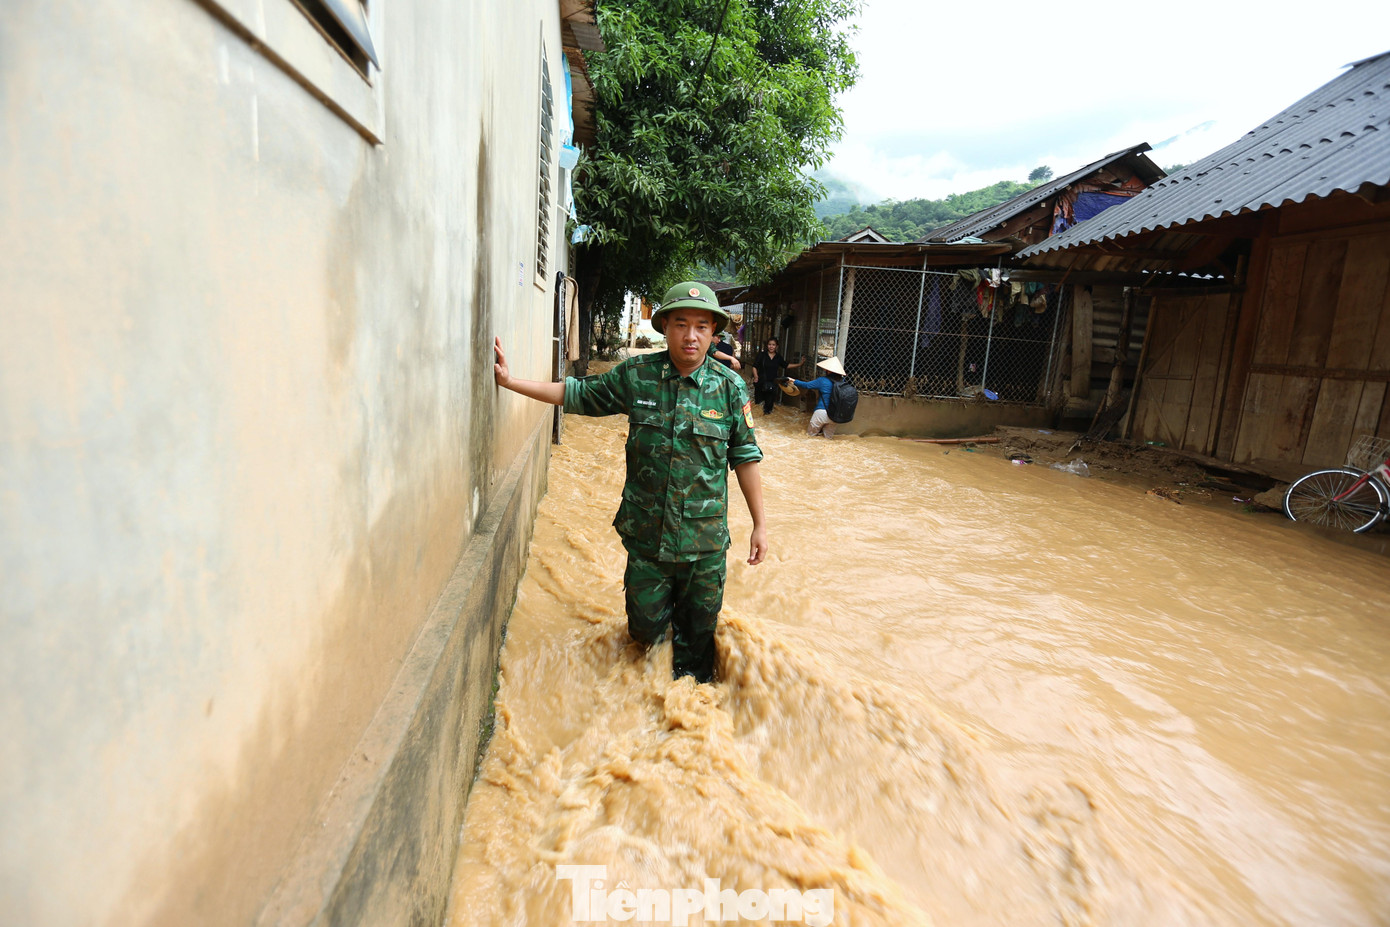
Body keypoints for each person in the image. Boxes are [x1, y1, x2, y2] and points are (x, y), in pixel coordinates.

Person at [492, 280, 767, 684]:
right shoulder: (638, 376)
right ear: (665, 327)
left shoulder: (729, 388)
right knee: (644, 637)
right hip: (647, 539)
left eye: (701, 327)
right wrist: (511, 383)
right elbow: (578, 394)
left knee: (697, 645)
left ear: (713, 333)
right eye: (680, 324)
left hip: (703, 544)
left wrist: (760, 524)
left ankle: (687, 717)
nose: (690, 335)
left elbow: (745, 457)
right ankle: (642, 699)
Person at [787, 355, 847, 438]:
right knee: (827, 440)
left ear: (829, 371)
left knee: (809, 437)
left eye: (826, 369)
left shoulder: (822, 380)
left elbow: (806, 385)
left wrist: (792, 380)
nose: (824, 370)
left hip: (821, 413)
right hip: (835, 415)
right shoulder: (842, 382)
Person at [750, 337, 802, 415]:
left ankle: (767, 421)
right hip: (761, 383)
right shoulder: (762, 355)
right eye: (769, 344)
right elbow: (754, 366)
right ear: (767, 346)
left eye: (773, 345)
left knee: (769, 406)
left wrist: (800, 364)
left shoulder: (778, 357)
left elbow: (786, 365)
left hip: (772, 384)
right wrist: (756, 376)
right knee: (758, 405)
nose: (771, 346)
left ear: (777, 346)